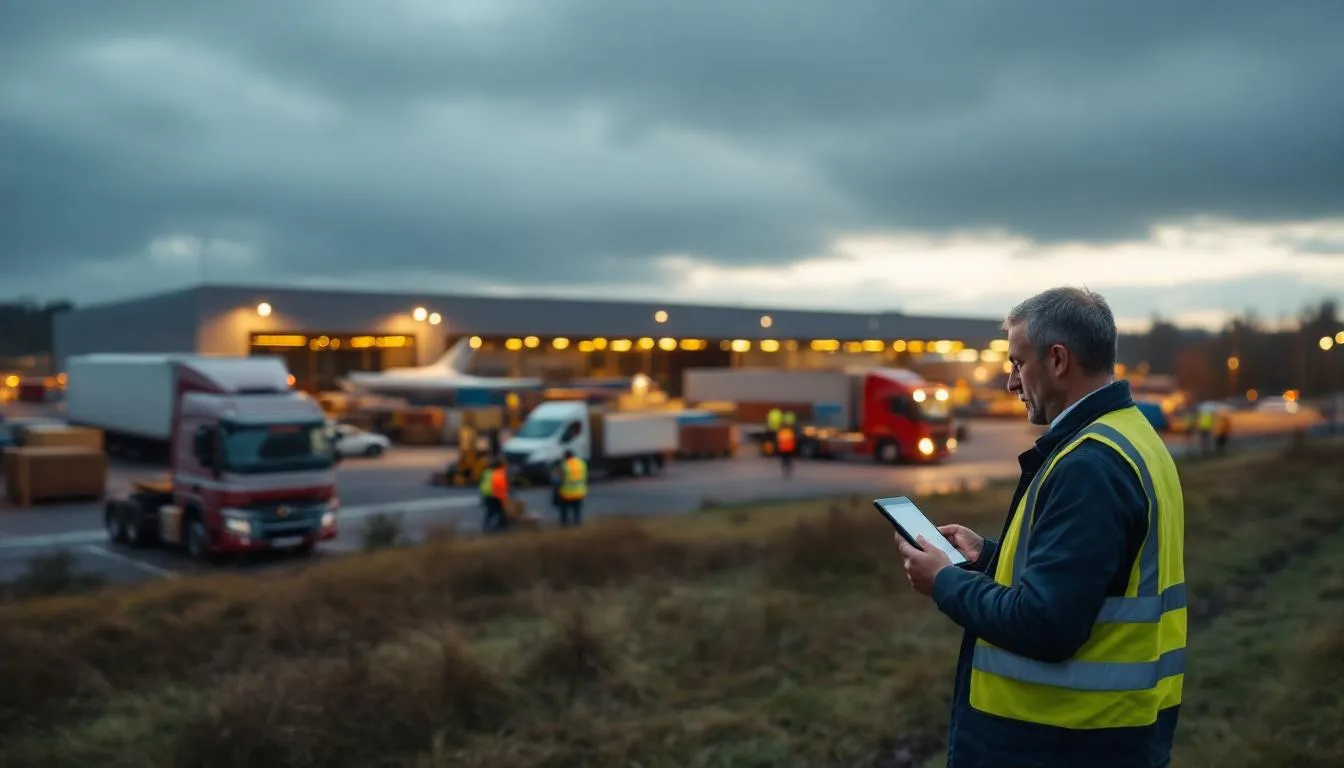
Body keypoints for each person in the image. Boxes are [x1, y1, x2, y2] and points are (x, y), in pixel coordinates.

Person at [897, 287, 1187, 767]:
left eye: (1017, 363)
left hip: (1059, 742)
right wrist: (987, 557)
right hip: (1108, 736)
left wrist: (944, 582)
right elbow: (1096, 579)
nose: (1011, 382)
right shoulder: (1132, 436)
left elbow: (1046, 625)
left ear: (1057, 360)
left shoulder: (1088, 465)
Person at [556, 449, 588, 526]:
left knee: (564, 508)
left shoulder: (564, 465)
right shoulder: (581, 463)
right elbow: (585, 476)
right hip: (580, 491)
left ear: (566, 457)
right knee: (577, 508)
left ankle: (565, 522)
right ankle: (577, 521)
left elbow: (560, 477)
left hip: (567, 492)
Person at [478, 457, 510, 532]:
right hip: (494, 495)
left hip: (487, 494)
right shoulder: (498, 473)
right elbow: (499, 486)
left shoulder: (488, 472)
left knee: (495, 512)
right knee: (494, 511)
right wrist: (503, 498)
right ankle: (494, 527)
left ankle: (499, 526)